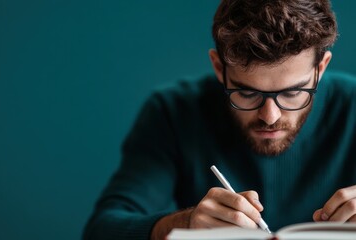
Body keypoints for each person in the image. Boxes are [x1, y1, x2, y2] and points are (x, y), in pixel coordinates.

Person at [83, 0, 356, 239]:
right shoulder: (173, 111)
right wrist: (183, 224)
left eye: (294, 92)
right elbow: (102, 229)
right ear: (218, 67)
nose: (270, 117)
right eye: (247, 92)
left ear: (320, 68)